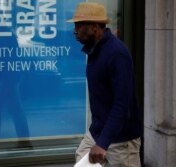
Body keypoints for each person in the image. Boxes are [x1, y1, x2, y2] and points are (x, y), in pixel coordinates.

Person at [67, 2, 142, 167]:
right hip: (98, 131)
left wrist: (103, 143)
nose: (75, 31)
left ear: (94, 27)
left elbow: (122, 105)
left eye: (79, 26)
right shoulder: (95, 50)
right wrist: (99, 137)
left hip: (122, 139)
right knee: (81, 160)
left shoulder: (117, 54)